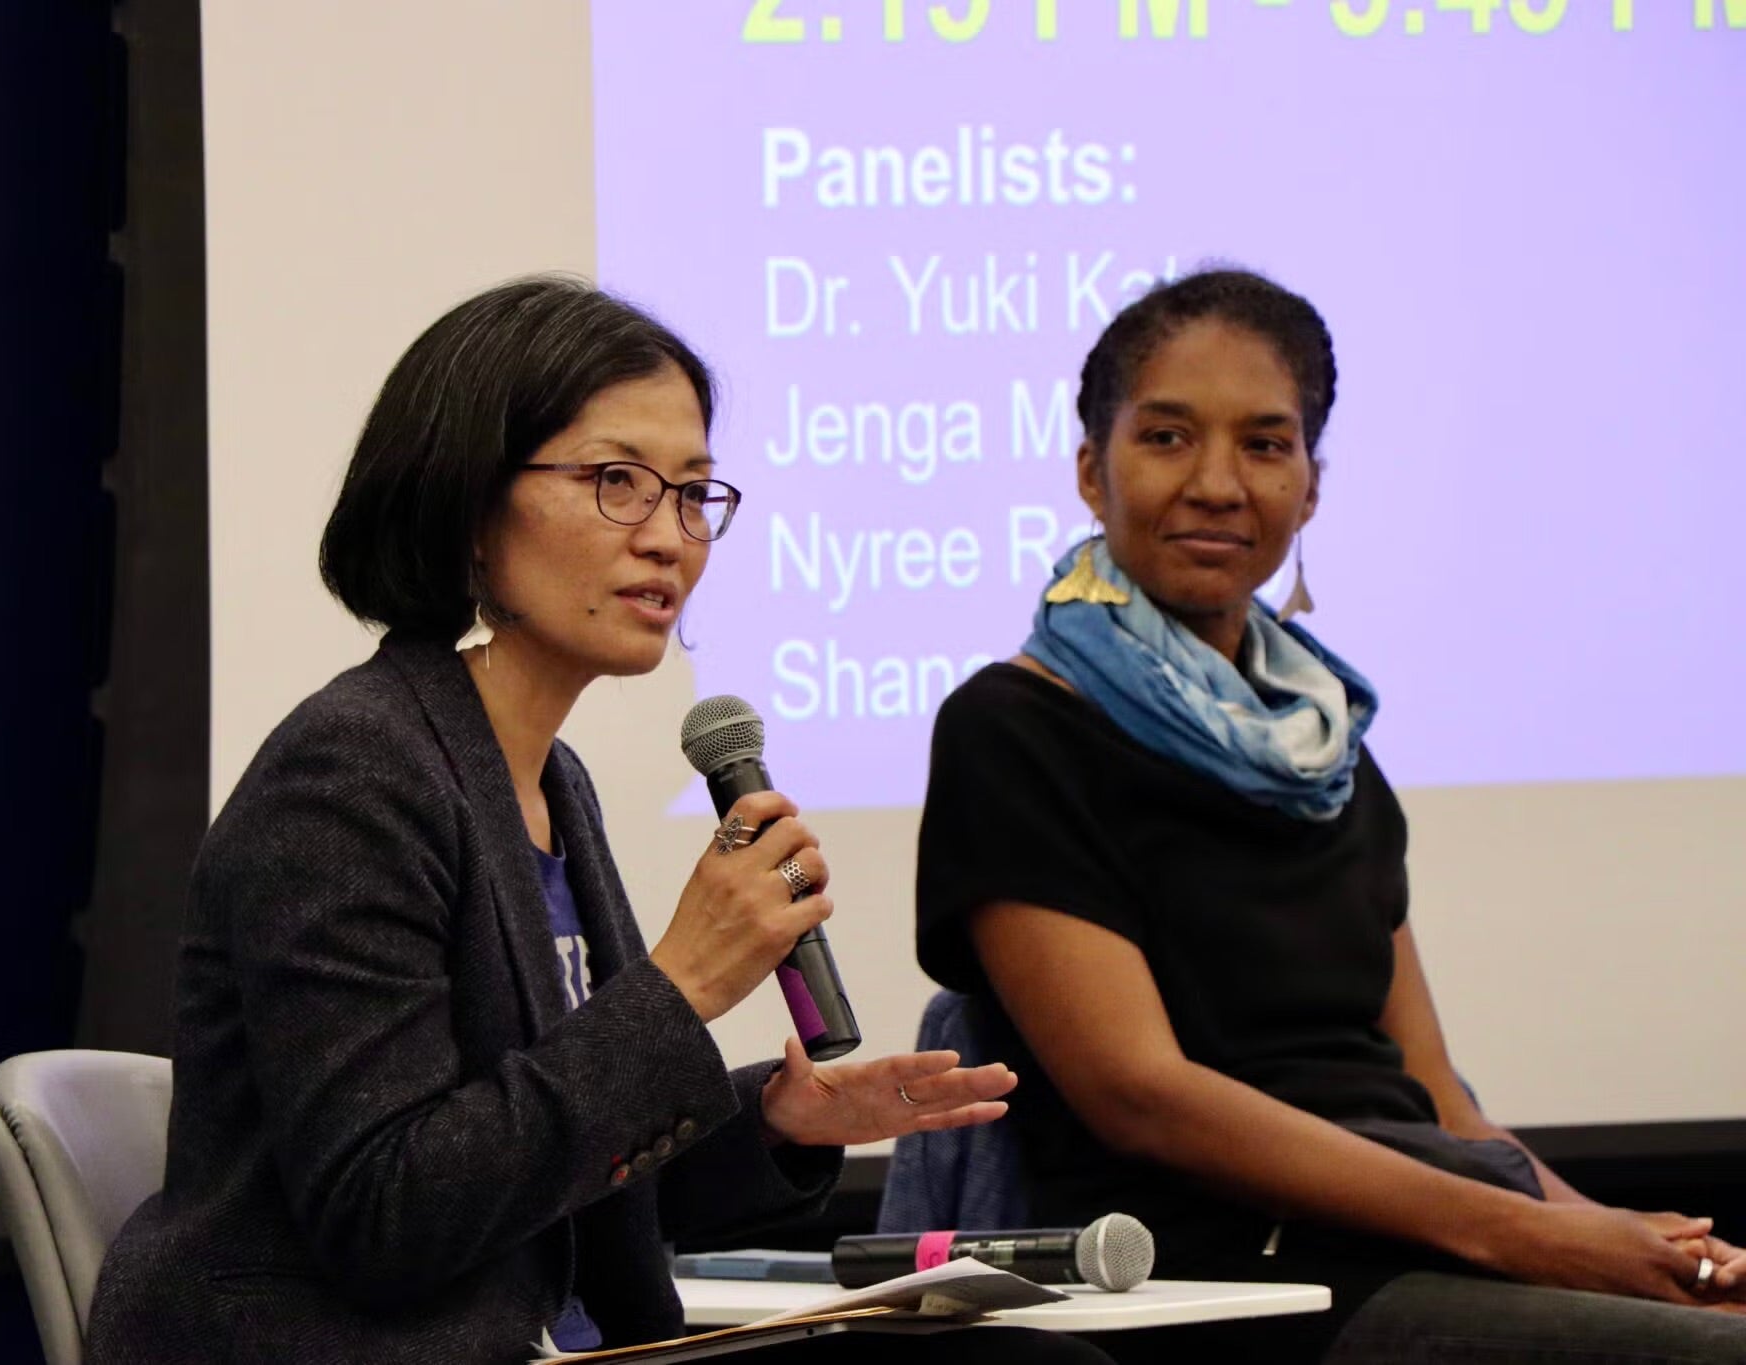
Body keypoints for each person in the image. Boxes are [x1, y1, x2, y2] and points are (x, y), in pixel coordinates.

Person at [85, 277, 1115, 1364]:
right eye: (616, 481)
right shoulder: (350, 776)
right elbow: (390, 1212)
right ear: (468, 498)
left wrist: (776, 1120)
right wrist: (683, 983)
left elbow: (553, 1175)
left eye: (693, 493)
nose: (669, 537)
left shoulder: (550, 781)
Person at [913, 268, 1746, 1362]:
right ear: (1089, 470)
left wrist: (1647, 1247)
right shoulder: (1014, 728)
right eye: (1166, 437)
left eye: (1265, 444)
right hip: (1214, 1280)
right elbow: (1138, 1095)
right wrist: (1529, 1238)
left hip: (1415, 1236)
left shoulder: (1329, 752)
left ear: (1309, 488)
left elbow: (1440, 1103)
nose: (1218, 483)